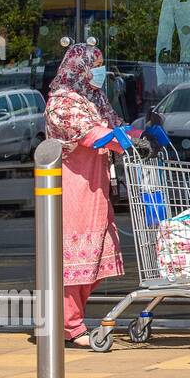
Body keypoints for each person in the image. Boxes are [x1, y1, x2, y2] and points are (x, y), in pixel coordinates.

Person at [44, 43, 132, 347]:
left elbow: (115, 126)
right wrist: (121, 140)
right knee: (74, 259)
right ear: (79, 66)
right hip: (72, 188)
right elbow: (91, 135)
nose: (100, 70)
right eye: (95, 64)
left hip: (95, 187)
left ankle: (73, 317)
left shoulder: (93, 97)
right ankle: (70, 324)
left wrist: (139, 132)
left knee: (97, 255)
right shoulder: (62, 101)